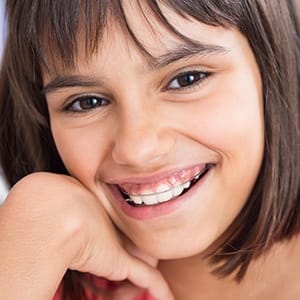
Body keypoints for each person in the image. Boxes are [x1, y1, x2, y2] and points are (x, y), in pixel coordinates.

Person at [0, 0, 299, 299]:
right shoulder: (40, 274)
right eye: (87, 102)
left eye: (186, 79)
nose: (137, 149)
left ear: (276, 66)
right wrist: (32, 234)